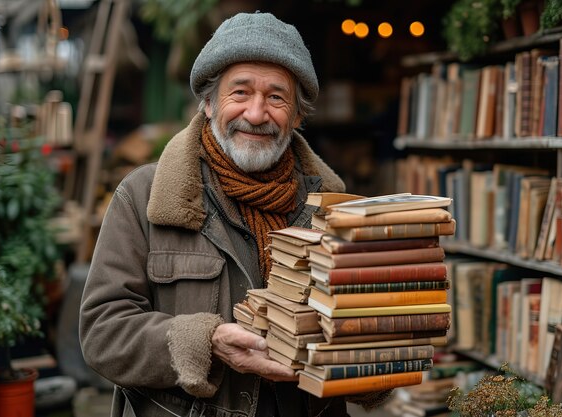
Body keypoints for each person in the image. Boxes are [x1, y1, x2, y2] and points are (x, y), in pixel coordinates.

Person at [79, 11, 390, 417]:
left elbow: (365, 333)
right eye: (240, 93)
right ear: (208, 104)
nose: (257, 114)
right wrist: (206, 343)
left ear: (296, 116)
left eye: (276, 97)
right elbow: (103, 332)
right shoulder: (144, 196)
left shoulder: (334, 208)